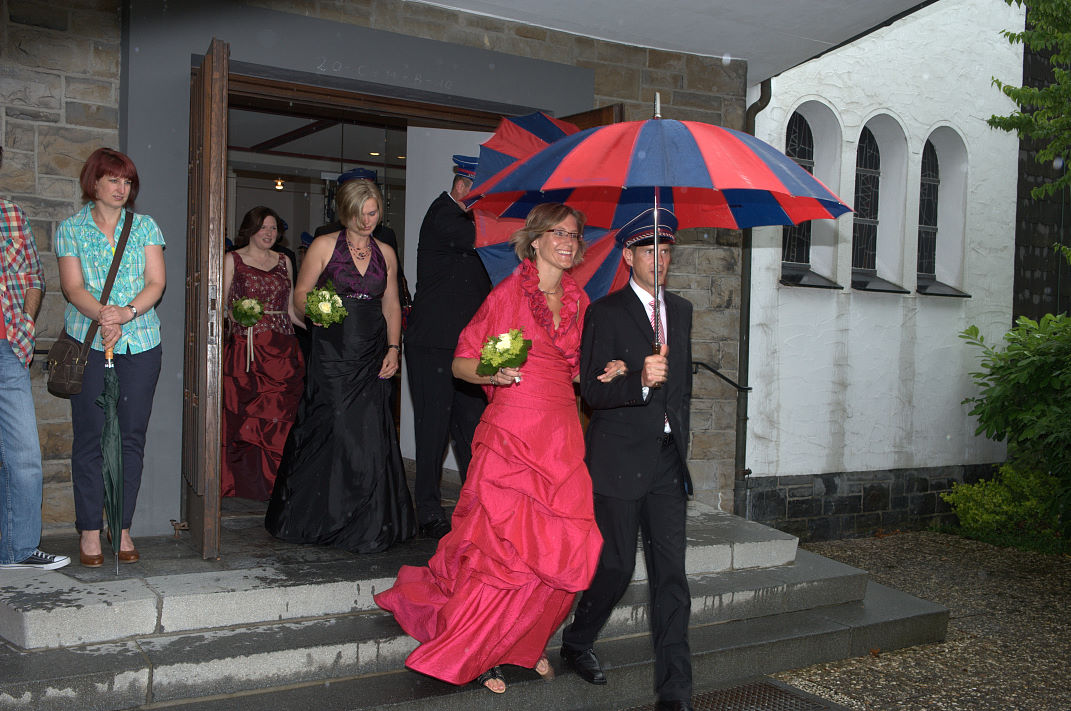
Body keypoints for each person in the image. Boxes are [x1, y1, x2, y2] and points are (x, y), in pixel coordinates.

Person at [376, 203, 624, 694]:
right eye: (558, 232)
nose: (568, 241)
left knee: (564, 543)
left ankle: (523, 642)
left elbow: (577, 371)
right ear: (535, 240)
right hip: (512, 434)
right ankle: (480, 650)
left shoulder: (580, 301)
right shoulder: (508, 296)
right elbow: (461, 364)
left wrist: (610, 370)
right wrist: (494, 371)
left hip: (559, 436)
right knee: (502, 552)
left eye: (574, 234)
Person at [560, 207, 696, 711]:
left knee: (671, 576)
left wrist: (678, 440)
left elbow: (681, 391)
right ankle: (578, 640)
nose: (659, 260)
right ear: (628, 256)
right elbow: (594, 393)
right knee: (615, 568)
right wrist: (638, 378)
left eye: (666, 251)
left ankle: (675, 690)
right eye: (648, 251)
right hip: (618, 460)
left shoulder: (681, 311)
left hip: (666, 462)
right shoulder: (605, 312)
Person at [264, 178, 415, 553]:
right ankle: (324, 515)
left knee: (368, 431)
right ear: (345, 212)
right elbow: (300, 295)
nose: (368, 220)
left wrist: (394, 348)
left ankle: (366, 520)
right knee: (334, 425)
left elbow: (391, 304)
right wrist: (315, 310)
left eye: (373, 212)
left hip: (372, 351)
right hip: (332, 350)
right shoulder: (324, 245)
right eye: (361, 213)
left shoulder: (386, 252)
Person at [56, 147, 166, 568]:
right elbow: (72, 287)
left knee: (130, 439)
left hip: (140, 343)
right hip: (88, 342)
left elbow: (156, 282)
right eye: (113, 180)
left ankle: (120, 527)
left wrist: (126, 313)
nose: (122, 188)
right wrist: (105, 315)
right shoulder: (71, 228)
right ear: (95, 182)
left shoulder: (145, 226)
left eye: (127, 181)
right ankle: (89, 530)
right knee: (90, 437)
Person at [404, 154, 491, 539]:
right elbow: (480, 238)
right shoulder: (443, 215)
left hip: (467, 348)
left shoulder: (474, 224)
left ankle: (475, 506)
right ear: (459, 185)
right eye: (478, 192)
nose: (482, 202)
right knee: (433, 430)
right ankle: (427, 510)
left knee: (472, 429)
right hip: (433, 344)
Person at [0, 146, 71, 571]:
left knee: (24, 456)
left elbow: (33, 276)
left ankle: (17, 550)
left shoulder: (11, 215)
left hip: (7, 350)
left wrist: (26, 322)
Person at [221, 206, 305, 501]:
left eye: (273, 228)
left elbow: (290, 309)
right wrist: (237, 315)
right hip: (247, 350)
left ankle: (277, 483)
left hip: (282, 350)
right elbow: (222, 305)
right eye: (263, 227)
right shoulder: (232, 259)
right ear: (250, 229)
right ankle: (247, 483)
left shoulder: (284, 261)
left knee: (280, 418)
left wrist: (317, 323)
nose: (269, 233)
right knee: (247, 418)